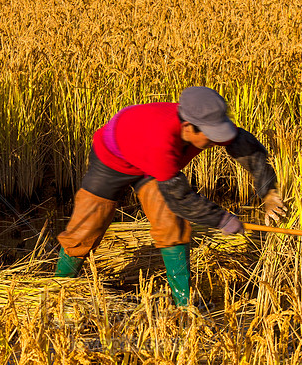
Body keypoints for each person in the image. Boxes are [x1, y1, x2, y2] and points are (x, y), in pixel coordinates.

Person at [54, 86, 286, 306]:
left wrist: (269, 192)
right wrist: (223, 220)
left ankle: (183, 302)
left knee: (172, 225)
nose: (216, 140)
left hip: (155, 164)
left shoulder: (206, 123)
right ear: (188, 127)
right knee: (89, 224)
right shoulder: (160, 141)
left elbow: (246, 148)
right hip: (113, 160)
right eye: (211, 135)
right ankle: (60, 288)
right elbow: (181, 199)